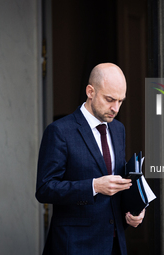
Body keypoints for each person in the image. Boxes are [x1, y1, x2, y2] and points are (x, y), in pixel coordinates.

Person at [36, 63, 145, 255]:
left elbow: (118, 182)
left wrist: (134, 210)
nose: (115, 108)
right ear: (90, 91)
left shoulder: (118, 130)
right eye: (110, 99)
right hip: (75, 245)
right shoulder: (60, 131)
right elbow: (45, 189)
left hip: (115, 244)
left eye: (120, 101)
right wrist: (94, 186)